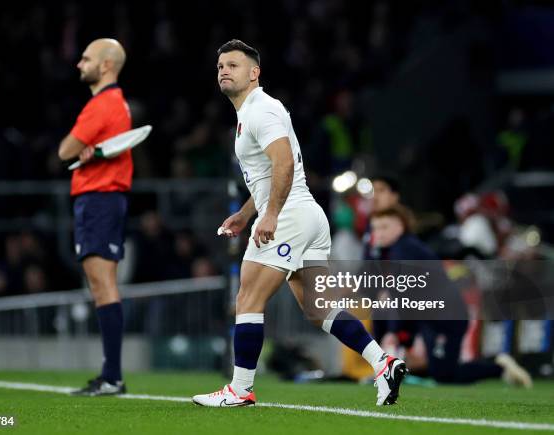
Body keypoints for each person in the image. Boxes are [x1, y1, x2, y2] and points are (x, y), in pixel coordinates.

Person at [192, 40, 406, 408]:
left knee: (247, 297)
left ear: (254, 72)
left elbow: (284, 163)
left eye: (233, 65)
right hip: (305, 214)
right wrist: (248, 213)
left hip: (289, 214)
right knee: (317, 308)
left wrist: (270, 214)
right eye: (220, 66)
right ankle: (382, 362)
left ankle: (240, 389)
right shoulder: (252, 113)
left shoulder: (262, 109)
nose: (224, 71)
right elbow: (269, 171)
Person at [368, 205, 532, 387]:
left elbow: (401, 296)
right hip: (432, 319)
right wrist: (402, 336)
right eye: (375, 228)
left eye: (384, 227)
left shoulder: (403, 250)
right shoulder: (397, 250)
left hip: (445, 320)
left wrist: (394, 331)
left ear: (399, 227)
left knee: (444, 375)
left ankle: (500, 368)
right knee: (441, 371)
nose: (379, 233)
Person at [58, 38, 131, 396]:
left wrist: (81, 150)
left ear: (105, 65)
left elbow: (64, 150)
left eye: (85, 59)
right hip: (100, 199)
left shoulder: (103, 104)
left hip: (100, 199)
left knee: (103, 285)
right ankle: (111, 374)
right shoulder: (112, 104)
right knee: (100, 285)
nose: (79, 64)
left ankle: (113, 376)